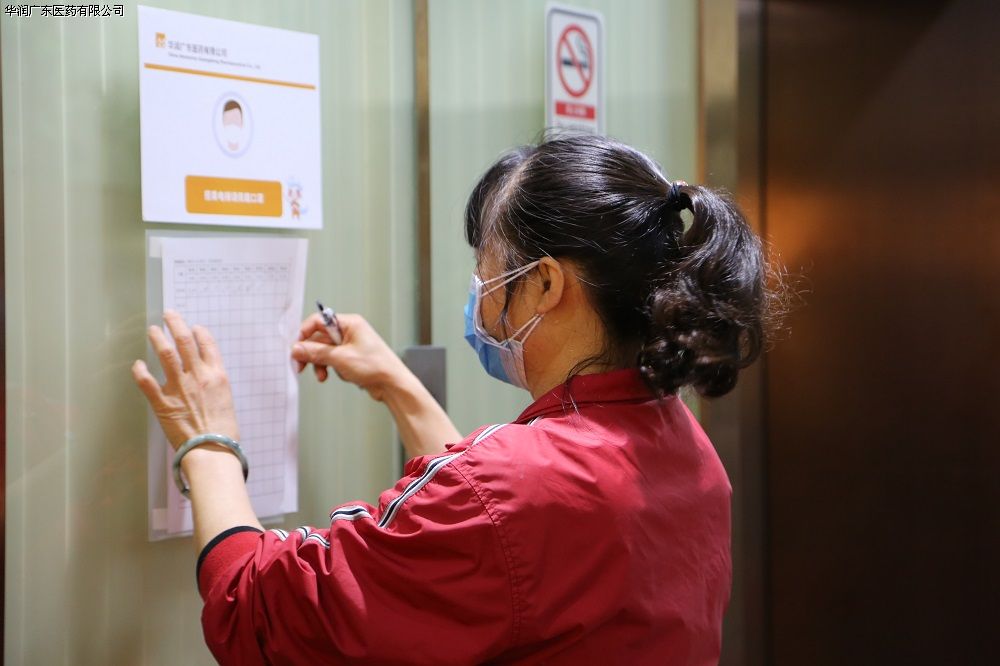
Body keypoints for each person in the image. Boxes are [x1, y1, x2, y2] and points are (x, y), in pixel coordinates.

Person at [133, 134, 780, 664]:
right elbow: (511, 560)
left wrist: (209, 443)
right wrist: (399, 387)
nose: (479, 288)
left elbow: (261, 615)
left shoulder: (516, 488)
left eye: (488, 266)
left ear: (545, 284)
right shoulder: (684, 447)